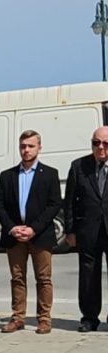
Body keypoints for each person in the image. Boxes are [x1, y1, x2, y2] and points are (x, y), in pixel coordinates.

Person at [0, 130, 61, 334]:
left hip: (40, 235)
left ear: (39, 147)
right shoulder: (7, 175)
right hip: (15, 236)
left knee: (43, 278)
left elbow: (54, 205)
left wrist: (34, 229)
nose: (26, 150)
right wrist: (12, 228)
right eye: (23, 146)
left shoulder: (50, 174)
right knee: (17, 278)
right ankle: (18, 317)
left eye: (31, 146)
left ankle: (44, 318)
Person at [63, 126, 108, 332]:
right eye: (96, 143)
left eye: (105, 143)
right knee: (89, 275)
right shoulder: (79, 166)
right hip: (88, 230)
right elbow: (70, 202)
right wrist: (70, 231)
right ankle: (89, 318)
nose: (100, 147)